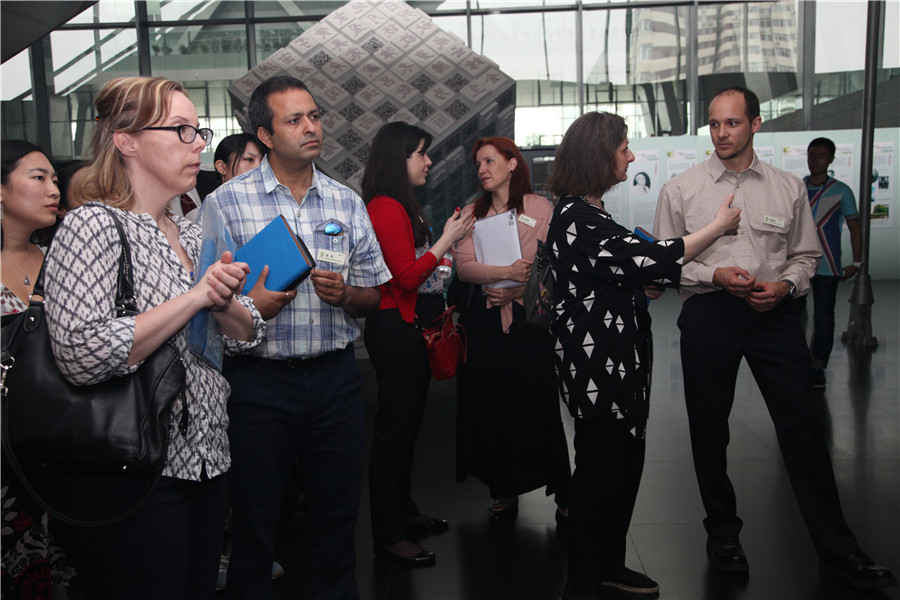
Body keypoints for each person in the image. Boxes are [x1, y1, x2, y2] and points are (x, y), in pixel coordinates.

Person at [653, 86, 896, 590]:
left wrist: (785, 285)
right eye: (714, 124)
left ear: (756, 124)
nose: (721, 133)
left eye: (732, 123)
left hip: (775, 313)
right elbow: (667, 262)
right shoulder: (682, 189)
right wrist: (713, 277)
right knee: (708, 426)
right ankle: (722, 532)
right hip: (709, 313)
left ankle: (837, 547)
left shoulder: (787, 187)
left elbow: (805, 257)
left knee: (803, 426)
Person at [41, 76, 264, 599]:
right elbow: (80, 352)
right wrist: (195, 296)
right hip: (135, 469)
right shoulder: (92, 226)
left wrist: (223, 298)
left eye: (199, 130)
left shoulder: (194, 230)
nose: (199, 144)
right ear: (126, 140)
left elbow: (249, 331)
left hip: (209, 458)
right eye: (182, 130)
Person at [198, 74, 391, 600]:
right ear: (264, 134)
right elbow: (201, 304)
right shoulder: (227, 204)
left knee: (338, 519)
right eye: (294, 120)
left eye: (314, 116)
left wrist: (348, 295)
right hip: (257, 384)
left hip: (335, 379)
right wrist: (248, 306)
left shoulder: (346, 202)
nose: (311, 128)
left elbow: (377, 295)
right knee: (256, 524)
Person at [548, 112, 741, 600]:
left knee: (620, 470)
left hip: (619, 366)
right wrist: (718, 227)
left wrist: (643, 281)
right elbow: (653, 258)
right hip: (599, 369)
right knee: (599, 474)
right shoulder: (577, 216)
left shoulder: (590, 214)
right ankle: (584, 582)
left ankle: (608, 566)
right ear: (599, 154)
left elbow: (628, 271)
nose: (630, 157)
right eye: (623, 148)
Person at [361, 121, 474, 567]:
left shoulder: (400, 205)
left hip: (405, 330)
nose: (428, 162)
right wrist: (449, 238)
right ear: (398, 158)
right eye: (421, 154)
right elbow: (406, 278)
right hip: (396, 332)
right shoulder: (386, 206)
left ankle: (402, 513)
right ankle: (387, 535)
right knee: (394, 435)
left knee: (406, 433)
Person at [455, 136, 571, 525]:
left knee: (539, 403)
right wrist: (501, 275)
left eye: (489, 161)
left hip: (529, 323)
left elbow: (557, 267)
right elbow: (463, 266)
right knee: (493, 406)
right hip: (486, 326)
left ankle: (562, 490)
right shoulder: (473, 213)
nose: (482, 169)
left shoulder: (541, 208)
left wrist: (518, 290)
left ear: (512, 164)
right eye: (477, 164)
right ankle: (503, 490)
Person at [1, 140, 76, 599]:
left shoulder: (60, 261)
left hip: (56, 443)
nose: (54, 189)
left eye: (54, 179)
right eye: (38, 178)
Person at [804, 137, 862, 389]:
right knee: (794, 317)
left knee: (824, 317)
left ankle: (817, 366)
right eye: (811, 154)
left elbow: (855, 227)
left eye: (820, 155)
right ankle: (798, 364)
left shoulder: (841, 191)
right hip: (799, 265)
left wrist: (857, 262)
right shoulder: (795, 188)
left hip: (828, 266)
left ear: (830, 159)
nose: (814, 160)